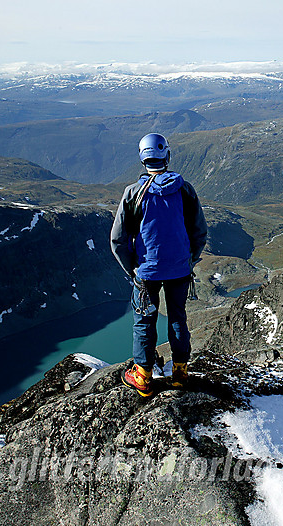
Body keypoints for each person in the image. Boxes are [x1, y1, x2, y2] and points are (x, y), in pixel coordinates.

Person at [110, 133, 207, 397]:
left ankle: (142, 376)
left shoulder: (133, 193)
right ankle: (180, 373)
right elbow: (199, 231)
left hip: (146, 270)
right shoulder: (184, 189)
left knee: (144, 320)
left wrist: (131, 268)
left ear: (142, 158)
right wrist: (190, 259)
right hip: (179, 269)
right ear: (166, 155)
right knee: (178, 317)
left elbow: (118, 238)